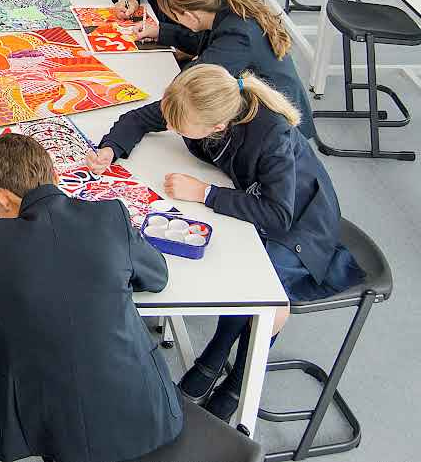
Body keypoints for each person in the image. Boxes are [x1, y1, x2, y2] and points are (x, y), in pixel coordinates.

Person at [88, 64, 363, 422]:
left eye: (180, 127)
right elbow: (142, 117)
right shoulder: (199, 101)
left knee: (255, 289)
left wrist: (205, 192)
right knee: (234, 266)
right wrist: (111, 149)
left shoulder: (271, 135)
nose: (170, 128)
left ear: (217, 127)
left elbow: (278, 215)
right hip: (256, 199)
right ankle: (215, 356)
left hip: (300, 227)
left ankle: (237, 378)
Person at [0, 133, 182, 462]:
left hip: (53, 426)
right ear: (55, 176)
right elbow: (157, 277)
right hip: (148, 412)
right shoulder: (110, 217)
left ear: (1, 198)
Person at [138, 0, 316, 138]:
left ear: (190, 15)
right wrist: (161, 32)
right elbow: (204, 40)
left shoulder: (237, 37)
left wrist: (134, 121)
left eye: (175, 17)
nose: (176, 22)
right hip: (277, 112)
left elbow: (188, 90)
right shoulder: (225, 5)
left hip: (284, 130)